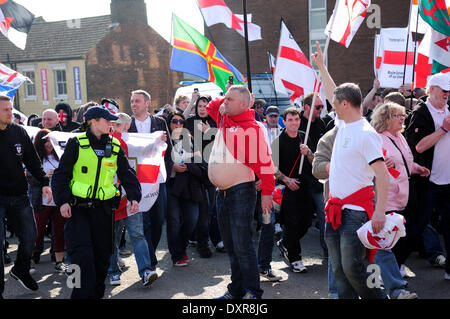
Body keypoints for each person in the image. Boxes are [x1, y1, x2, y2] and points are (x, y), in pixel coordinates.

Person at [312, 42, 388, 299]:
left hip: (356, 213)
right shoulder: (343, 124)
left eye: (334, 103)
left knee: (353, 268)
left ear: (344, 104)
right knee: (340, 270)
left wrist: (379, 212)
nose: (331, 105)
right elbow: (334, 89)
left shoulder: (367, 134)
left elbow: (382, 175)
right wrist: (322, 66)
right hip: (334, 208)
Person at [51, 106, 141, 299]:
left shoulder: (115, 146)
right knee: (79, 258)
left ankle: (96, 295)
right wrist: (62, 201)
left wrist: (134, 196)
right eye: (107, 120)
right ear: (93, 121)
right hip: (78, 210)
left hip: (104, 211)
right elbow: (61, 175)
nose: (111, 124)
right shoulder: (77, 143)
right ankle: (77, 296)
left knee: (102, 258)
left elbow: (126, 173)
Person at [207, 85, 275, 299]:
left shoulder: (252, 127)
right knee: (231, 244)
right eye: (225, 99)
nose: (224, 102)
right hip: (223, 193)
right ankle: (236, 289)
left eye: (230, 99)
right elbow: (212, 106)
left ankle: (252, 291)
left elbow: (266, 163)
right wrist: (227, 94)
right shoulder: (224, 117)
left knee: (242, 244)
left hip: (241, 192)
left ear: (244, 104)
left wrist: (267, 194)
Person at [370, 102, 429, 299]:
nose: (402, 118)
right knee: (385, 244)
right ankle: (387, 283)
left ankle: (388, 277)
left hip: (404, 196)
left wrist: (416, 168)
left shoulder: (400, 136)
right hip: (387, 199)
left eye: (403, 115)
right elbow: (373, 167)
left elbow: (404, 162)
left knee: (406, 235)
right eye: (397, 115)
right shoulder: (377, 139)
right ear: (385, 118)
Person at [0, 94, 53, 298]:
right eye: (5, 110)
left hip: (20, 195)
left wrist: (45, 183)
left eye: (11, 108)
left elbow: (33, 160)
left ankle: (20, 270)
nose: (10, 112)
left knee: (31, 237)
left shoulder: (19, 132)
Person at [404, 72, 450, 280]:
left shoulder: (449, 109)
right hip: (426, 181)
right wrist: (443, 129)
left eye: (449, 92)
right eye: (444, 91)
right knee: (417, 226)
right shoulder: (421, 113)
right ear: (432, 90)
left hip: (448, 181)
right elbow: (419, 147)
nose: (447, 95)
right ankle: (396, 265)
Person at [107, 112, 157, 286]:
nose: (115, 128)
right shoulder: (104, 143)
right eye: (113, 124)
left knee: (137, 234)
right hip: (110, 199)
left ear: (127, 126)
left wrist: (158, 140)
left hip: (128, 197)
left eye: (119, 125)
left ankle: (145, 271)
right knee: (111, 238)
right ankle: (113, 271)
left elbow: (147, 151)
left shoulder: (130, 142)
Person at [128, 89, 172, 272]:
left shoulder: (159, 122)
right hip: (136, 182)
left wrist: (166, 175)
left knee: (157, 219)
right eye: (132, 101)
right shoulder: (127, 125)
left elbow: (168, 150)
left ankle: (151, 252)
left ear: (147, 103)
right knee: (143, 221)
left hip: (156, 180)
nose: (133, 105)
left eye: (137, 101)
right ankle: (150, 261)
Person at [271, 107, 313, 273]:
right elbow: (272, 167)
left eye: (296, 120)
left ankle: (286, 242)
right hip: (287, 188)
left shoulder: (305, 136)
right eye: (290, 120)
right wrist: (287, 180)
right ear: (285, 121)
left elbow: (314, 161)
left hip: (305, 185)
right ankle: (295, 259)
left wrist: (308, 152)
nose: (294, 123)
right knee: (292, 223)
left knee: (306, 222)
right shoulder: (278, 141)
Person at [184, 95, 223, 257]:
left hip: (212, 170)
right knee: (201, 210)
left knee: (210, 209)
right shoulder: (190, 121)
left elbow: (223, 140)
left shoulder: (214, 121)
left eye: (205, 106)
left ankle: (210, 241)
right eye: (199, 105)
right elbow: (179, 117)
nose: (202, 108)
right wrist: (191, 101)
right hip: (194, 170)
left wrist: (210, 132)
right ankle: (201, 244)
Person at [166, 111, 206, 266]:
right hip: (172, 186)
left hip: (190, 186)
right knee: (174, 221)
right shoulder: (164, 141)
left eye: (181, 122)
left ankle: (181, 247)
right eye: (174, 121)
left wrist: (189, 164)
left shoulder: (191, 141)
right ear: (169, 124)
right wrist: (173, 167)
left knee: (192, 220)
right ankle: (177, 254)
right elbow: (158, 162)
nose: (178, 125)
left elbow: (201, 163)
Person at [29, 129, 66, 273]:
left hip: (58, 202)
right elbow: (29, 179)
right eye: (46, 141)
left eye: (51, 141)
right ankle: (29, 260)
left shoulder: (60, 157)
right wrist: (44, 176)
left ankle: (59, 262)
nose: (49, 144)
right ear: (40, 142)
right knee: (36, 232)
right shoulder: (34, 158)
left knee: (59, 233)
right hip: (41, 202)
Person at [299, 92, 327, 258]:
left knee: (324, 215)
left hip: (319, 179)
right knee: (302, 218)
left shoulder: (322, 123)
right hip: (302, 178)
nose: (321, 110)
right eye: (318, 107)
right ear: (307, 107)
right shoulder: (298, 123)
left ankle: (327, 250)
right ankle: (286, 241)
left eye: (322, 106)